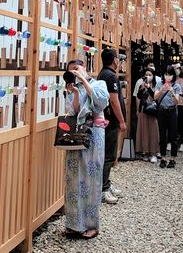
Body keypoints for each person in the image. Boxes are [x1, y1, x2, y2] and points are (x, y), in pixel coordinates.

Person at [63, 59, 109, 240]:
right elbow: (73, 112)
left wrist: (83, 81)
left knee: (91, 178)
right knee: (73, 178)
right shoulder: (73, 87)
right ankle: (74, 224)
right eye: (70, 70)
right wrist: (74, 93)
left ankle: (91, 225)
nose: (74, 72)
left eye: (76, 68)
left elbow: (100, 103)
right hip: (75, 134)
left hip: (93, 135)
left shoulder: (99, 83)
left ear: (85, 68)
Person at [98, 48, 126, 205]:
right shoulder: (110, 76)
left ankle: (106, 184)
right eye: (118, 58)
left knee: (108, 154)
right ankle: (103, 189)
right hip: (111, 121)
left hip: (106, 121)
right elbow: (114, 101)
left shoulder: (104, 74)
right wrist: (122, 120)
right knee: (108, 155)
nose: (119, 61)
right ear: (114, 60)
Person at [154, 65, 181, 168]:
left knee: (173, 135)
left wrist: (172, 91)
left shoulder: (176, 86)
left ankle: (173, 158)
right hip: (161, 111)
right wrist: (162, 89)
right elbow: (155, 97)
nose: (167, 76)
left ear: (173, 75)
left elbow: (177, 101)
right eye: (166, 74)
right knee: (162, 135)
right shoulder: (159, 84)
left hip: (172, 111)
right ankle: (163, 157)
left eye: (169, 74)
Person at [135, 68, 160, 162]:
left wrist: (149, 88)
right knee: (144, 130)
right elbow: (138, 96)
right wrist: (142, 89)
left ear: (153, 76)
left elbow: (155, 97)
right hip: (143, 109)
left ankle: (153, 152)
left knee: (153, 131)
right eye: (146, 74)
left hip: (152, 110)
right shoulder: (141, 84)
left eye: (150, 74)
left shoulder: (157, 85)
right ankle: (145, 151)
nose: (148, 76)